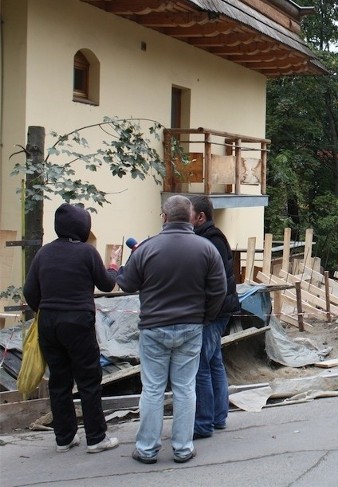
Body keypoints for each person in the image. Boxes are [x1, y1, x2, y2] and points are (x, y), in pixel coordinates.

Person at [116, 195, 226, 464]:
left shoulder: (146, 249)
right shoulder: (206, 249)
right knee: (186, 388)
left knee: (152, 389)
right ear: (190, 217)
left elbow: (127, 285)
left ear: (164, 217)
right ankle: (182, 448)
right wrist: (205, 317)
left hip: (154, 328)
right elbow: (219, 289)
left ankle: (146, 448)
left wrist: (119, 267)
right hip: (191, 327)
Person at [22, 203, 121, 454]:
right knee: (88, 380)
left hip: (49, 324)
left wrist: (47, 309)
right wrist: (113, 267)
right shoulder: (87, 253)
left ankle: (64, 438)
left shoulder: (43, 254)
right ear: (84, 227)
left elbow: (30, 292)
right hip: (78, 322)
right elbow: (108, 285)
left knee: (59, 381)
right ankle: (96, 438)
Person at [189, 195, 240, 439]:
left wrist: (208, 313)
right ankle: (219, 417)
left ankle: (205, 422)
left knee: (201, 365)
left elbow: (215, 282)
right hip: (218, 309)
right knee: (213, 361)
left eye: (188, 214)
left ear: (201, 217)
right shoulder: (207, 238)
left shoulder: (211, 240)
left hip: (215, 311)